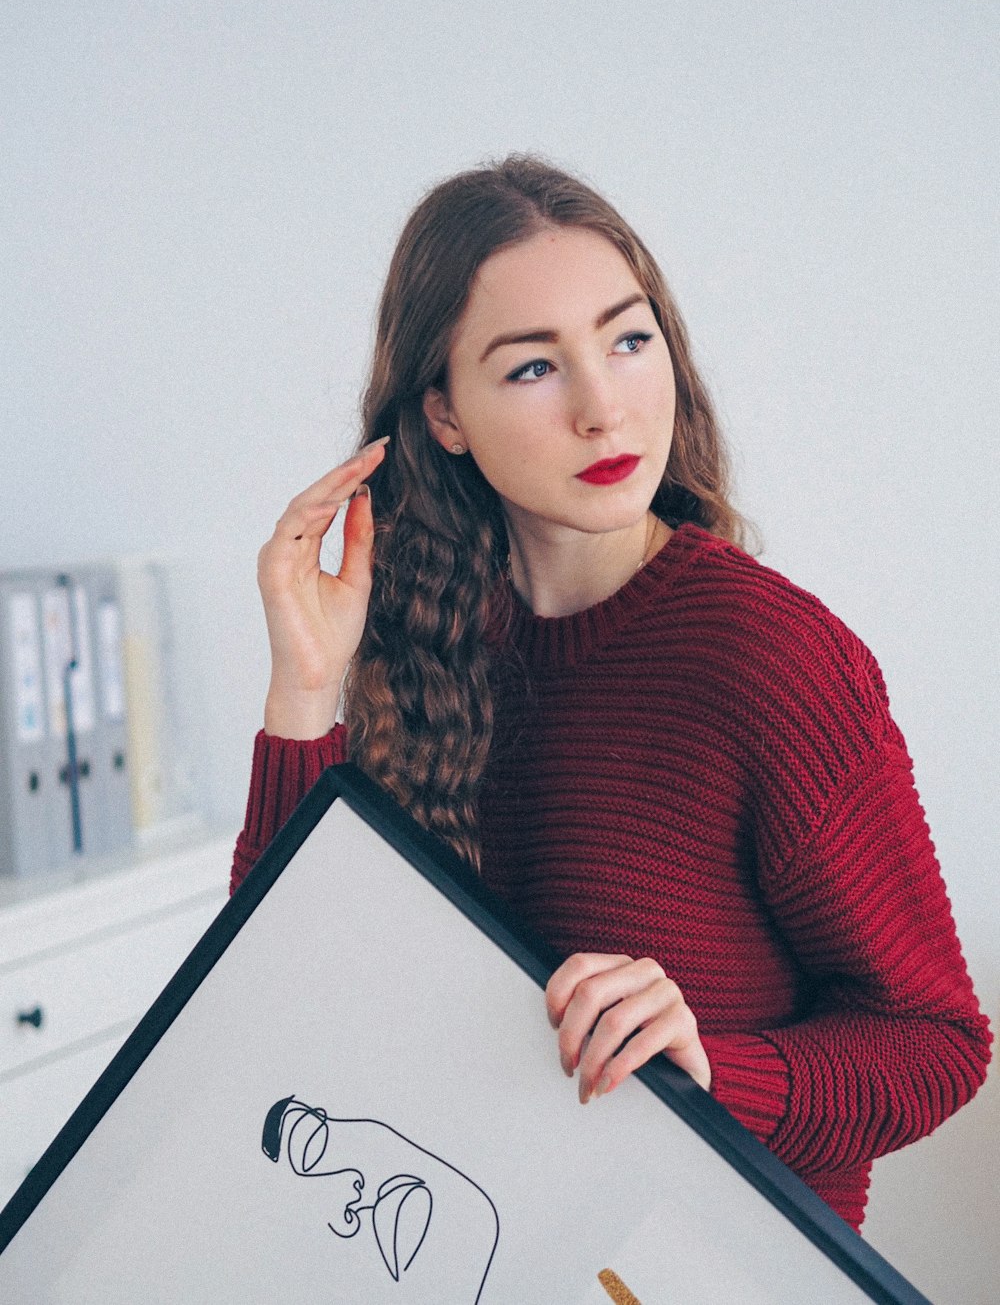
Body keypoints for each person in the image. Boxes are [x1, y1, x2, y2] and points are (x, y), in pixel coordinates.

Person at [231, 155, 991, 1233]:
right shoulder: (428, 647)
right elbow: (282, 1002)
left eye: (627, 341)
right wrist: (304, 691)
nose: (604, 408)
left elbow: (933, 1044)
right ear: (443, 415)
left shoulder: (773, 660)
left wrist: (708, 1073)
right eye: (533, 368)